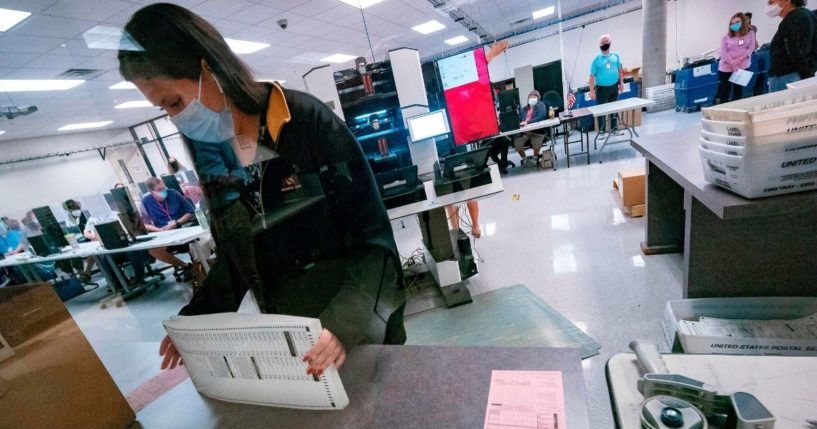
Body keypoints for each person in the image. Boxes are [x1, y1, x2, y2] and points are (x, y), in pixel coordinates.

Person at [118, 4, 406, 375]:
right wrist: (192, 321)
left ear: (207, 67)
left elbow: (373, 238)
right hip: (297, 337)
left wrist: (342, 324)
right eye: (164, 110)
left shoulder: (304, 121)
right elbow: (239, 256)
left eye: (175, 102)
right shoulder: (212, 151)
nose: (177, 118)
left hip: (359, 324)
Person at [140, 177, 195, 278]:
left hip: (181, 228)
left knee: (195, 242)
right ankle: (185, 266)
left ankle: (198, 265)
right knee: (153, 250)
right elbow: (145, 223)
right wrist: (159, 230)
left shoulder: (173, 193)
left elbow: (190, 211)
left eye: (164, 187)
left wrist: (177, 223)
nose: (163, 191)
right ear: (151, 191)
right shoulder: (146, 201)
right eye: (159, 190)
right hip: (163, 233)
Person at [766, 0, 817, 92]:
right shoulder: (808, 15)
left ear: (786, 1)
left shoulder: (792, 19)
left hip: (787, 77)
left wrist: (807, 75)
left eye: (771, 2)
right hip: (796, 74)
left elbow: (794, 50)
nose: (769, 6)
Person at [589, 34, 624, 136]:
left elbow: (619, 70)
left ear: (609, 43)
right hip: (601, 89)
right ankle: (602, 132)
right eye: (602, 42)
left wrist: (621, 83)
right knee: (602, 111)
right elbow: (591, 77)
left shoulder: (616, 56)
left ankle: (614, 129)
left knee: (614, 109)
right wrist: (592, 91)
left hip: (614, 87)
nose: (604, 44)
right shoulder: (596, 59)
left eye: (606, 42)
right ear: (600, 45)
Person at [717, 13, 755, 103]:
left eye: (737, 22)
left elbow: (751, 47)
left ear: (743, 22)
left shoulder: (750, 33)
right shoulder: (725, 37)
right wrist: (732, 63)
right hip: (726, 67)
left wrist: (740, 59)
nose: (734, 25)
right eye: (732, 23)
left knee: (738, 90)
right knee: (725, 91)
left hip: (742, 66)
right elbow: (723, 52)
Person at [513, 90, 551, 168]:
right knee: (517, 141)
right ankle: (525, 159)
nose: (532, 98)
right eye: (530, 97)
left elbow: (541, 117)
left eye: (534, 97)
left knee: (536, 139)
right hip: (525, 132)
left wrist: (528, 122)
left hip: (537, 131)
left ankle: (535, 158)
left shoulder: (541, 106)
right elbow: (520, 119)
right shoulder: (524, 109)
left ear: (538, 98)